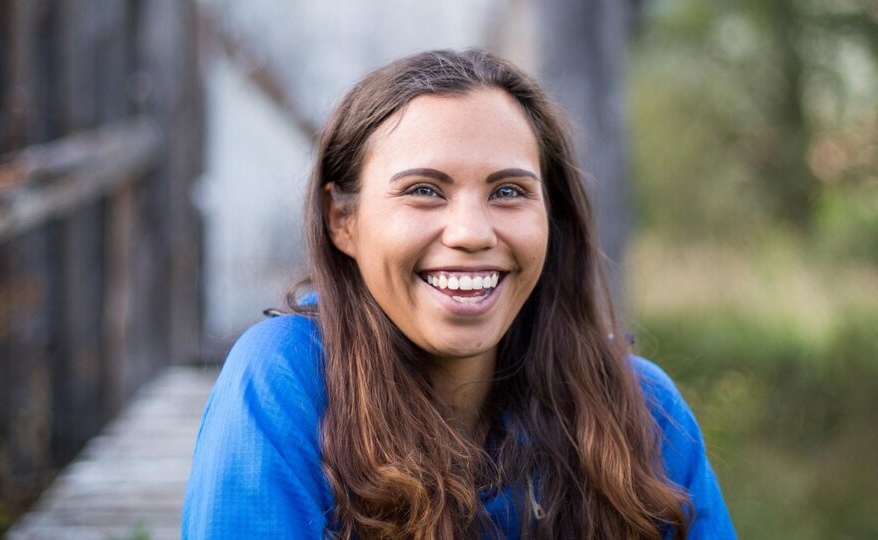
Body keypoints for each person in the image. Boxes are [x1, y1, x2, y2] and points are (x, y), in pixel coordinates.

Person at [182, 49, 735, 539]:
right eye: (424, 191)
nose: (471, 232)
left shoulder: (642, 408)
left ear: (551, 217)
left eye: (509, 191)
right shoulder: (283, 380)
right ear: (342, 219)